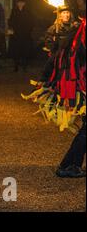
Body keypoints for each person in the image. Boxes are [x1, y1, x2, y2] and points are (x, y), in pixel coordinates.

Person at [23, 16, 85, 178]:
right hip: (79, 90)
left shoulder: (74, 44)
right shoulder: (77, 47)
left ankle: (69, 165)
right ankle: (69, 166)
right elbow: (55, 62)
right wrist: (44, 81)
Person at [9, 0, 34, 72]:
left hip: (25, 34)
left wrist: (29, 30)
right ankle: (16, 66)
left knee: (25, 50)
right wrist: (12, 28)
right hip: (16, 34)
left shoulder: (28, 11)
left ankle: (24, 66)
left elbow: (31, 21)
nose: (20, 4)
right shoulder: (14, 11)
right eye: (19, 2)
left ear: (24, 3)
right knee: (16, 50)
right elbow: (11, 20)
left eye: (22, 2)